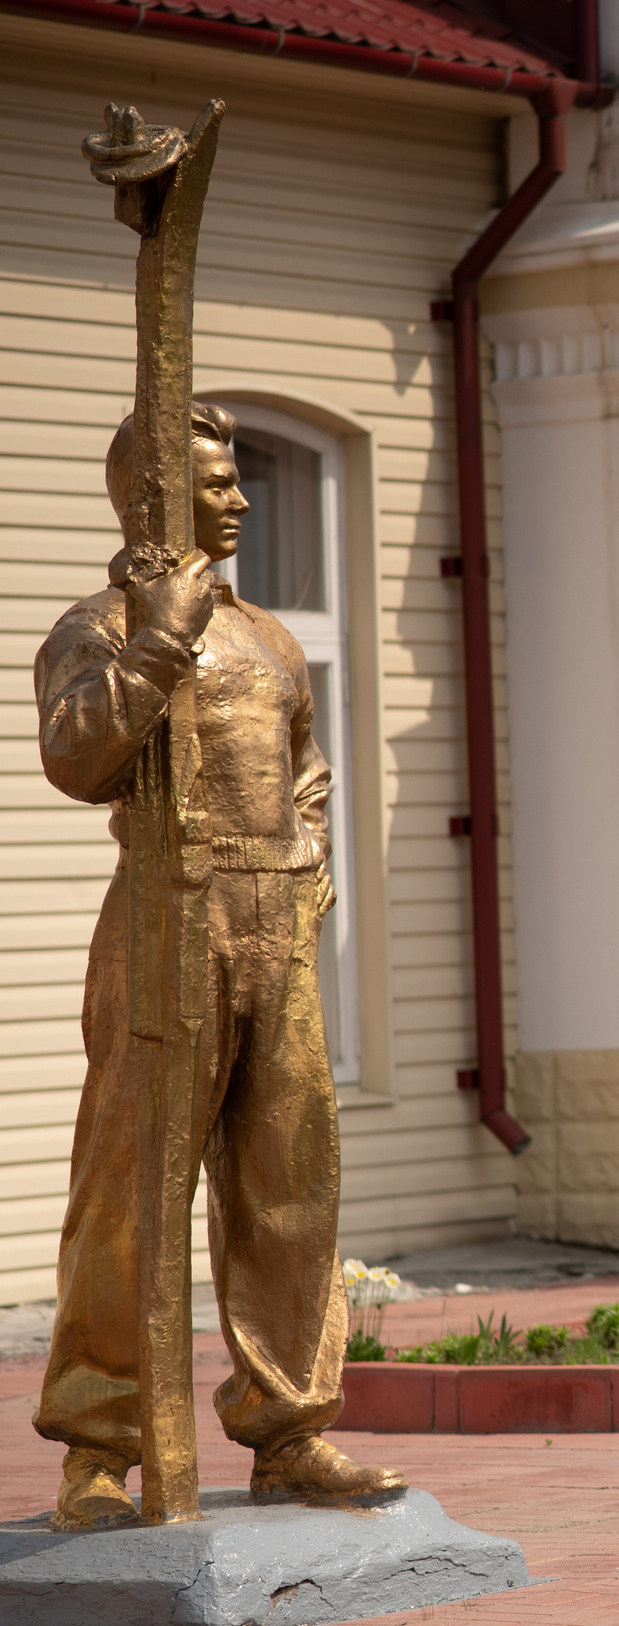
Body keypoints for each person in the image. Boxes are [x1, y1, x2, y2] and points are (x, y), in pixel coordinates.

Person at [34, 401, 403, 1526]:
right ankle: (101, 1448)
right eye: (218, 480)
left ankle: (290, 1426)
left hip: (272, 923)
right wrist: (155, 640)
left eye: (241, 477)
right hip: (163, 913)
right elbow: (76, 758)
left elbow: (309, 771)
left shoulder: (271, 638)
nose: (241, 496)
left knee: (290, 1186)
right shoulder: (96, 625)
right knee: (131, 1188)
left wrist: (307, 864)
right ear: (152, 496)